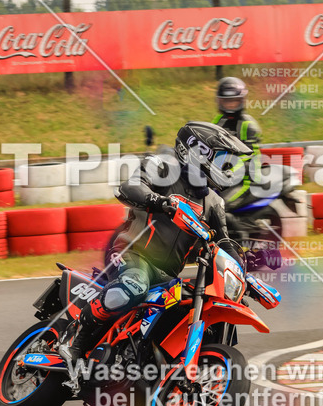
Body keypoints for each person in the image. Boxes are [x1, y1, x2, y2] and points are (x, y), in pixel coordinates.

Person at [59, 120, 251, 369]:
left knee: (189, 308)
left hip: (167, 274)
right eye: (222, 157)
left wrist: (244, 264)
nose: (226, 166)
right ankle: (75, 336)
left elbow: (223, 240)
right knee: (134, 286)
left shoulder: (214, 201)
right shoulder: (163, 166)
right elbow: (129, 187)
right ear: (196, 150)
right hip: (133, 253)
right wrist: (161, 202)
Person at [213, 76, 262, 210]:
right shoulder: (219, 121)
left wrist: (226, 169)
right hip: (225, 178)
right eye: (227, 102)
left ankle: (238, 231)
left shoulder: (248, 125)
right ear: (220, 102)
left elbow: (249, 157)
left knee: (220, 207)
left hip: (247, 180)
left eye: (234, 101)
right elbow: (210, 144)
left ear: (241, 101)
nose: (230, 105)